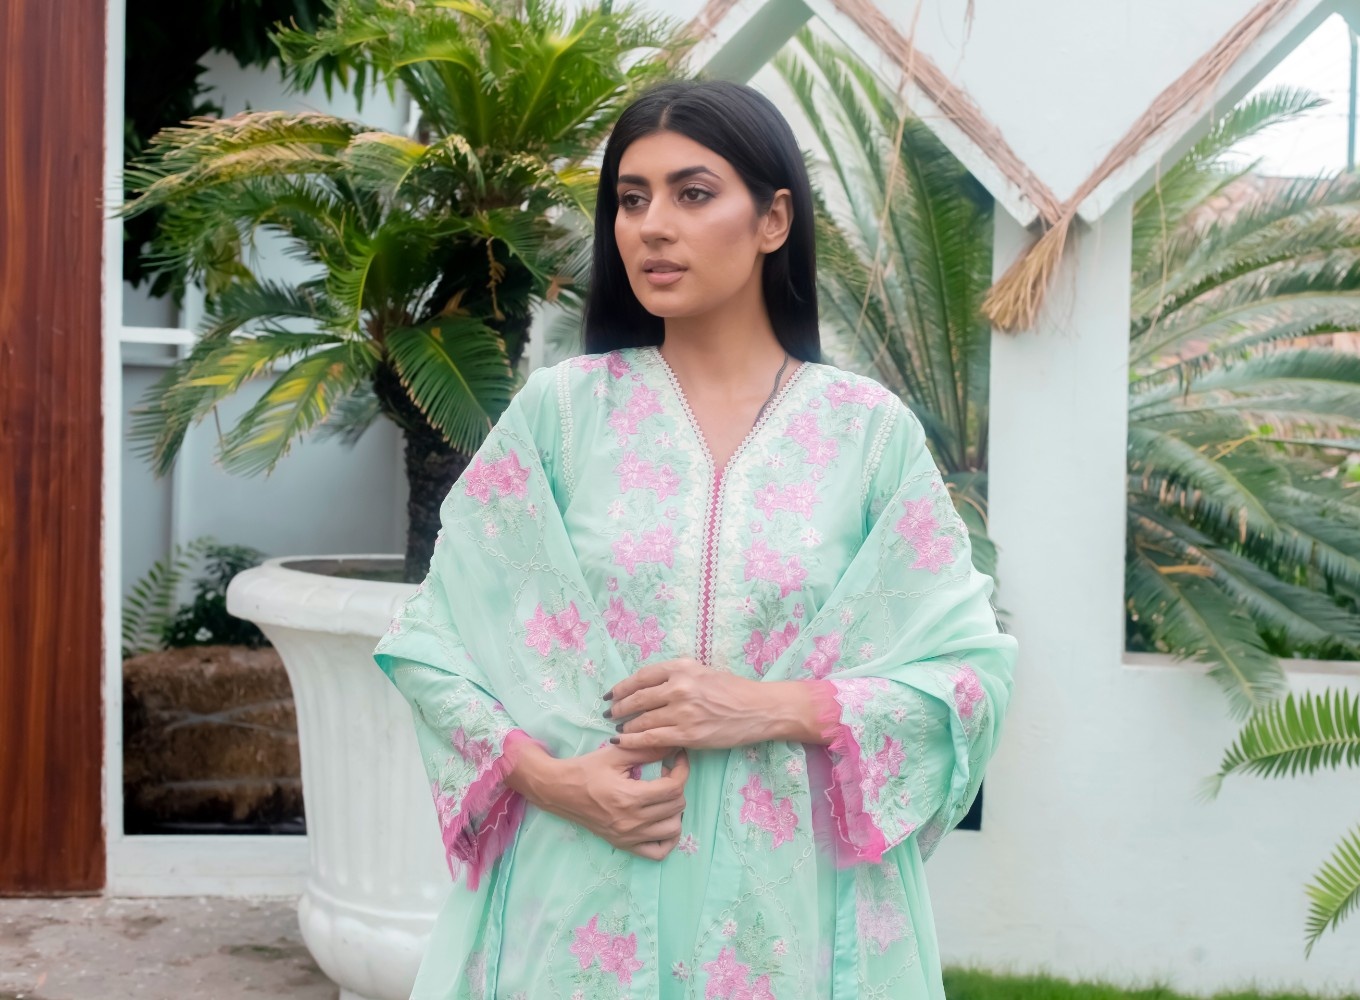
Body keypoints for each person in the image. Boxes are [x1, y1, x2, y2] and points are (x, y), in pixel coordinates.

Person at [372, 77, 1018, 1000]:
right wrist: (553, 782)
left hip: (787, 916)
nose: (652, 227)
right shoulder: (563, 417)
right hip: (580, 896)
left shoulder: (868, 435)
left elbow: (968, 679)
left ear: (773, 219)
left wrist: (772, 708)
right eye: (631, 199)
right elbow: (435, 644)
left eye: (693, 193)